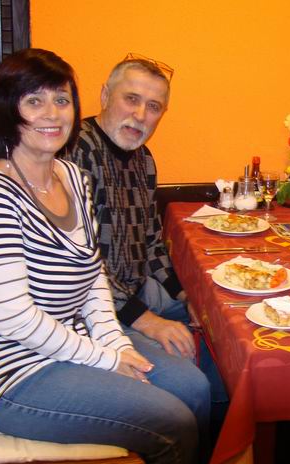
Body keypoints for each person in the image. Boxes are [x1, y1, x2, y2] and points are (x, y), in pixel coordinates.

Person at [0, 48, 210, 464]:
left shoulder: (71, 177)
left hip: (73, 340)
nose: (52, 114)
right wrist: (107, 359)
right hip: (12, 375)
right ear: (8, 111)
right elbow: (15, 321)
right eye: (34, 101)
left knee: (194, 389)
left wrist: (116, 342)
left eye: (61, 100)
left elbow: (93, 273)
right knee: (173, 421)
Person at [68, 54, 228, 413]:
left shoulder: (143, 159)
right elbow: (80, 268)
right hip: (92, 311)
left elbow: (153, 241)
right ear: (105, 94)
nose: (140, 115)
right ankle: (196, 423)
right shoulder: (75, 154)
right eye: (131, 99)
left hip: (137, 289)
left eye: (153, 107)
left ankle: (223, 432)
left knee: (221, 319)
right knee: (191, 386)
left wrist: (185, 295)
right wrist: (148, 322)